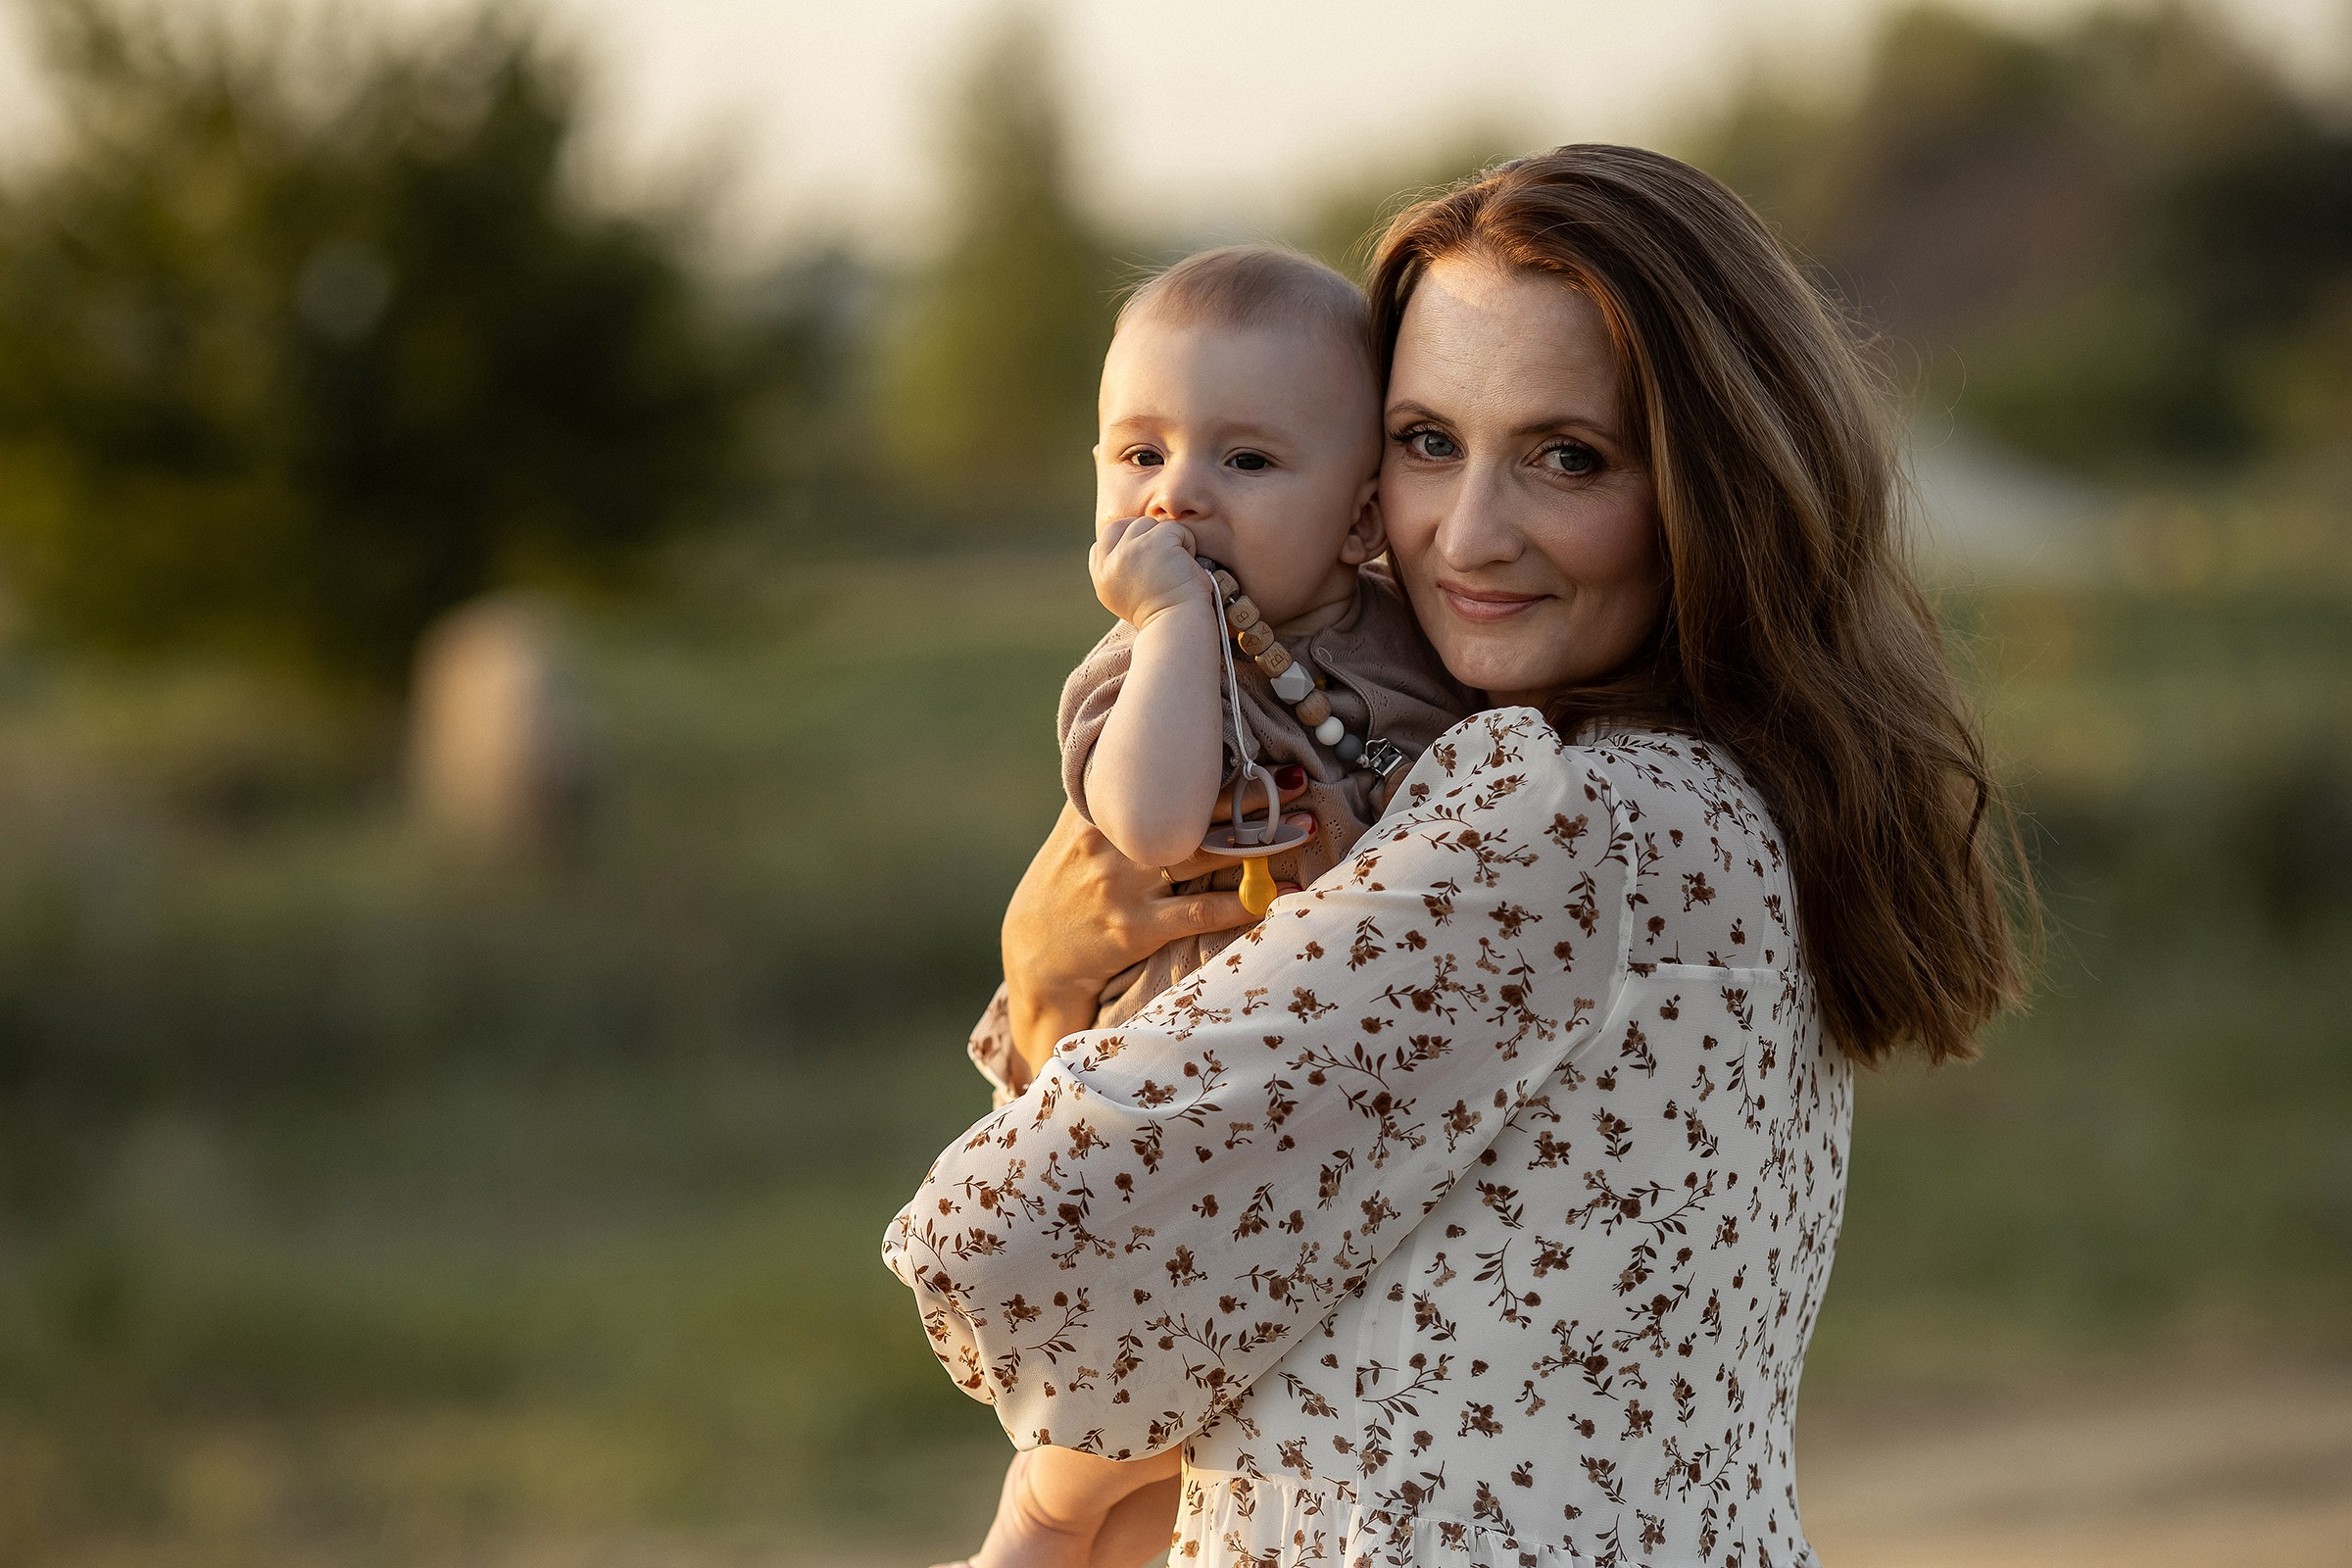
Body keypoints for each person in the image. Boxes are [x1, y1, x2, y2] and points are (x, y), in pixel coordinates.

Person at [888, 144, 2025, 1568]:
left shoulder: (1549, 823)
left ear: (1714, 483)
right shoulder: (1739, 798)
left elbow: (1015, 1241)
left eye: (1568, 457)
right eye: (1429, 442)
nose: (1468, 537)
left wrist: (1044, 978)